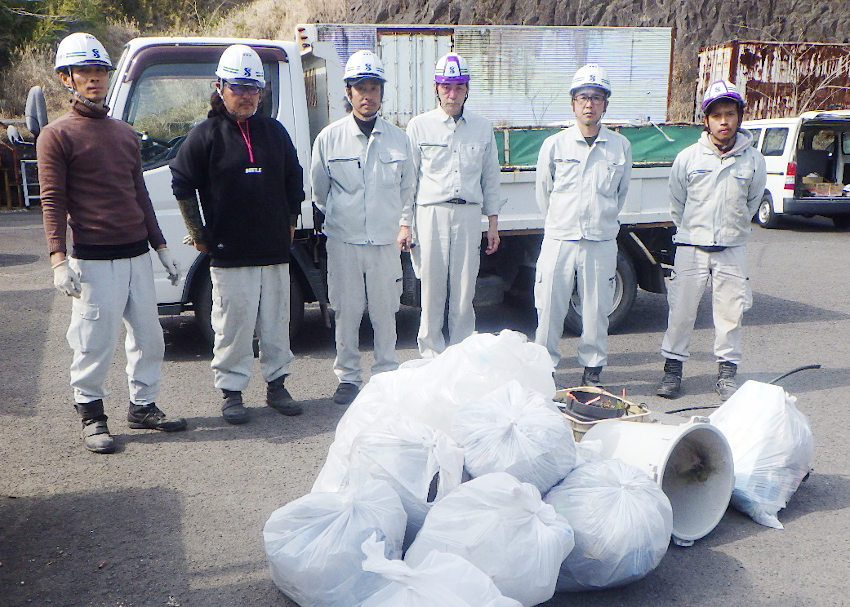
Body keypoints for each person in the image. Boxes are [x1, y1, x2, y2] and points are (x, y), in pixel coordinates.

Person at [38, 33, 187, 454]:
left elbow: (139, 193)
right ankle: (91, 414)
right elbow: (53, 199)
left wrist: (160, 246)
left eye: (100, 71)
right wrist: (57, 258)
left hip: (137, 253)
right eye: (84, 71)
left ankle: (143, 406)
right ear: (66, 78)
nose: (94, 79)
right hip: (93, 258)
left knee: (149, 336)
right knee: (93, 341)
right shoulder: (57, 135)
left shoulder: (124, 134)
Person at [170, 44, 305, 424]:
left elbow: (293, 176)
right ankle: (232, 392)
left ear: (261, 91)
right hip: (229, 252)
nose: (246, 95)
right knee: (233, 327)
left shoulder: (274, 131)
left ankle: (277, 385)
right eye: (238, 87)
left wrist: (291, 218)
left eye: (253, 88)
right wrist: (198, 232)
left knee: (277, 324)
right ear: (220, 87)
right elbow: (181, 183)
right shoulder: (206, 135)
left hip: (275, 251)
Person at [311, 50, 415, 405]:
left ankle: (386, 371)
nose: (367, 95)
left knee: (386, 309)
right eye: (360, 88)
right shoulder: (329, 139)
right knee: (347, 309)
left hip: (386, 241)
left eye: (373, 88)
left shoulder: (399, 139)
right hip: (344, 241)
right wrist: (347, 219)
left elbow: (408, 190)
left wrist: (403, 225)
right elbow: (319, 192)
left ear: (382, 92)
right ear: (349, 92)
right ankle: (348, 377)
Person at [657, 80, 767, 400]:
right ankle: (672, 373)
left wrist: (730, 231)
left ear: (739, 117)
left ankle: (726, 375)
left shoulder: (753, 160)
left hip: (731, 249)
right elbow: (677, 203)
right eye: (717, 115)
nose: (724, 121)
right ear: (706, 120)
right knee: (680, 313)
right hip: (691, 247)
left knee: (730, 315)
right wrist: (694, 232)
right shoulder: (689, 158)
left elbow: (752, 201)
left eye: (730, 114)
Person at [533, 64, 632, 387]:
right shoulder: (555, 145)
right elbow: (543, 192)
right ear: (573, 103)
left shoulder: (620, 147)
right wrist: (562, 221)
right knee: (549, 307)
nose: (589, 104)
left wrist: (598, 220)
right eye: (583, 97)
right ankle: (544, 369)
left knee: (596, 311)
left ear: (605, 104)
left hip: (600, 241)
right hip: (559, 239)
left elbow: (620, 194)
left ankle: (592, 370)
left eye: (596, 97)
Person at [405, 53, 502, 358]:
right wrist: (405, 223)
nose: (452, 93)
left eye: (458, 86)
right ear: (436, 87)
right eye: (446, 86)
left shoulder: (482, 127)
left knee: (463, 291)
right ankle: (431, 355)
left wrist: (493, 225)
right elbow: (409, 180)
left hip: (468, 214)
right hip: (431, 213)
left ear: (466, 89)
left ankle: (462, 353)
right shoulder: (419, 126)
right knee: (432, 289)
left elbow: (491, 177)